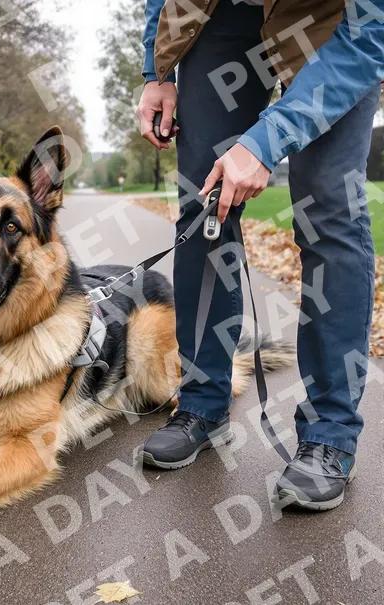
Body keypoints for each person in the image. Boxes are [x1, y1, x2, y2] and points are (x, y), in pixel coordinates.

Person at [135, 0, 383, 510]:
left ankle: (330, 432)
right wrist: (155, 69)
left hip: (334, 20)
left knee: (330, 209)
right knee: (204, 203)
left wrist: (266, 142)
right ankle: (204, 402)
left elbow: (370, 32)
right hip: (219, 14)